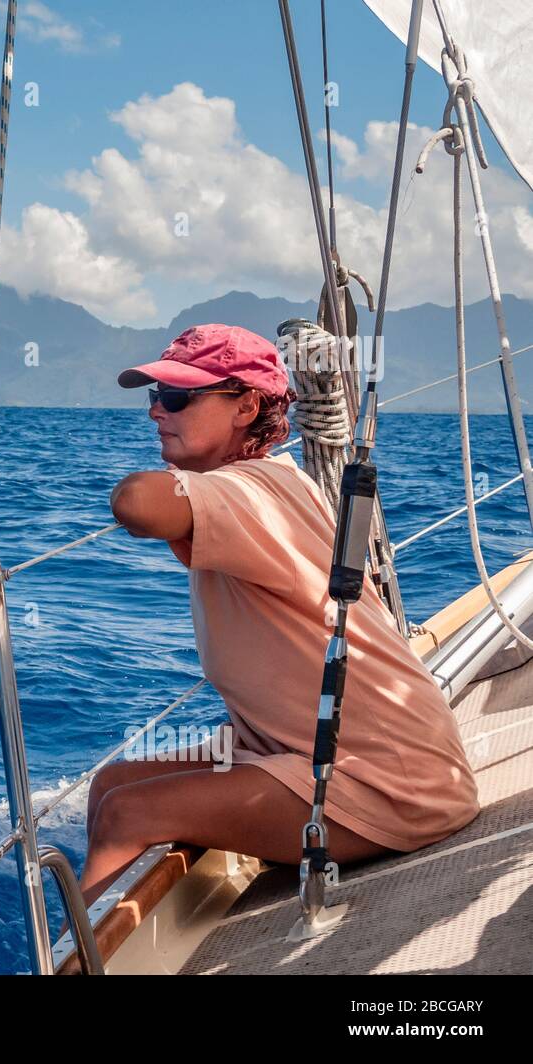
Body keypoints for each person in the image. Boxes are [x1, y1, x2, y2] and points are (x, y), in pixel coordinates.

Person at [80, 323, 480, 909]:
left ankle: (75, 960)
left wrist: (170, 484)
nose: (156, 414)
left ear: (245, 406)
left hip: (389, 781)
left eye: (177, 398)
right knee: (110, 784)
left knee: (128, 810)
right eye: (153, 396)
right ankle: (82, 938)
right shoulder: (267, 482)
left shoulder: (252, 491)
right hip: (301, 747)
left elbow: (136, 503)